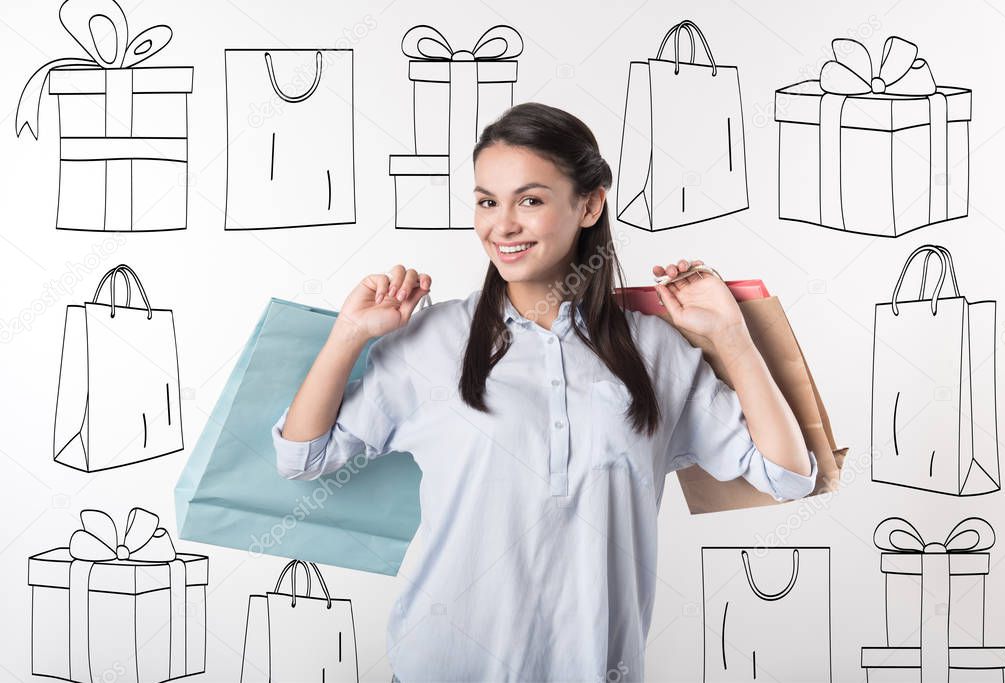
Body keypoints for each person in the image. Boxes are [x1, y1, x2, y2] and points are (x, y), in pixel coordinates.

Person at [272, 102, 816, 682]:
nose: (501, 225)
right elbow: (302, 457)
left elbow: (787, 475)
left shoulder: (655, 351)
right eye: (487, 201)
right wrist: (349, 335)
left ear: (589, 204)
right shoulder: (431, 340)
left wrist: (733, 339)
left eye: (529, 200)